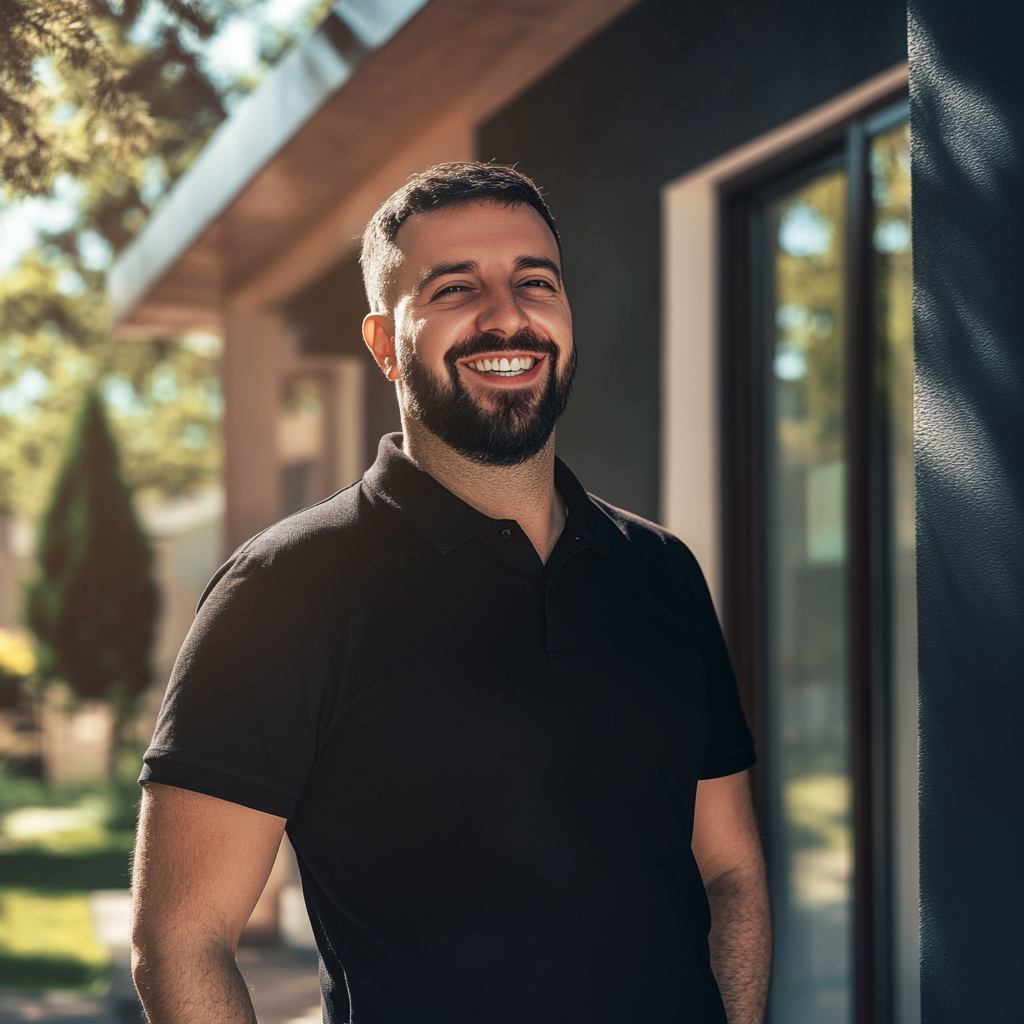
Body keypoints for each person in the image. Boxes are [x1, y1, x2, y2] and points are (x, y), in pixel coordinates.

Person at [131, 162, 771, 1024]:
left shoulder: (660, 570)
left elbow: (730, 872)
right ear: (383, 343)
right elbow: (179, 939)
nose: (507, 315)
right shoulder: (283, 592)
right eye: (454, 289)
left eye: (534, 283)